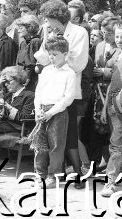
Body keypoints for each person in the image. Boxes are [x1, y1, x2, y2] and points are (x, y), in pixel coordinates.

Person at [34, 0, 88, 185]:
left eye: (49, 20)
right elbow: (42, 59)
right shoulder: (52, 32)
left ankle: (77, 174)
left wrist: (58, 58)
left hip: (68, 91)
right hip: (50, 90)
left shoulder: (79, 32)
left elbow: (78, 63)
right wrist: (47, 38)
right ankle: (56, 173)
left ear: (57, 18)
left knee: (68, 136)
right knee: (49, 140)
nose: (47, 24)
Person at [34, 37, 78, 189]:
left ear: (65, 54)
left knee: (56, 145)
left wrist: (51, 112)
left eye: (55, 54)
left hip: (58, 112)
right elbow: (38, 91)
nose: (52, 57)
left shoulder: (70, 73)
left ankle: (53, 175)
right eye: (50, 54)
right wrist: (38, 109)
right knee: (40, 145)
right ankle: (40, 174)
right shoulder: (46, 70)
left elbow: (67, 98)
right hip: (42, 110)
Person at [100, 21, 122, 197]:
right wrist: (105, 106)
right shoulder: (117, 55)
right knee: (119, 141)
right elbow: (110, 85)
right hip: (112, 103)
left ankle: (111, 180)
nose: (119, 40)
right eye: (118, 36)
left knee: (117, 143)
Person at [15, 14, 42, 91]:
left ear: (29, 28)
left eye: (21, 28)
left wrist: (25, 83)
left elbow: (31, 65)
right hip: (21, 79)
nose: (18, 30)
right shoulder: (23, 43)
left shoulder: (35, 42)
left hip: (31, 82)